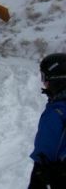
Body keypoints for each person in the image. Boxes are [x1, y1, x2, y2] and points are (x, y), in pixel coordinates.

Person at [28, 53, 66, 188]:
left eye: (44, 77)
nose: (44, 83)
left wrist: (40, 173)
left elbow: (46, 149)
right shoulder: (58, 106)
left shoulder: (58, 112)